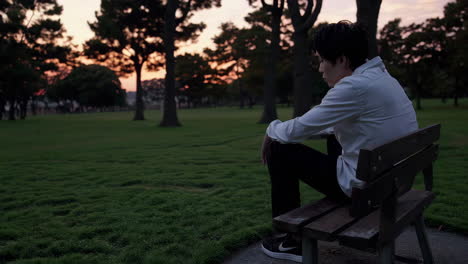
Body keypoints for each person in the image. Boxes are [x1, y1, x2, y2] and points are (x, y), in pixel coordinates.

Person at [260, 21, 418, 263]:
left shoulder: (354, 87)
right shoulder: (381, 77)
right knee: (331, 134)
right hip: (391, 182)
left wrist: (272, 131)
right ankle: (292, 238)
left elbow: (298, 129)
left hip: (367, 191)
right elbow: (325, 122)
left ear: (342, 60)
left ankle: (290, 241)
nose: (320, 68)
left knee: (280, 149)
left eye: (323, 60)